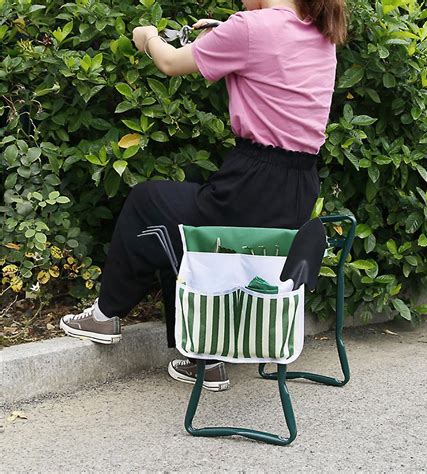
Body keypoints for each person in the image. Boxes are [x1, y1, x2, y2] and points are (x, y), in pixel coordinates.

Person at [60, 0, 347, 392]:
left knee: (149, 203)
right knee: (181, 219)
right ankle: (202, 357)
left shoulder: (250, 27)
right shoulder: (320, 33)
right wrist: (221, 34)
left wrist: (147, 37)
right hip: (297, 186)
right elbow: (268, 67)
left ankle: (106, 315)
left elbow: (170, 63)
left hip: (252, 181)